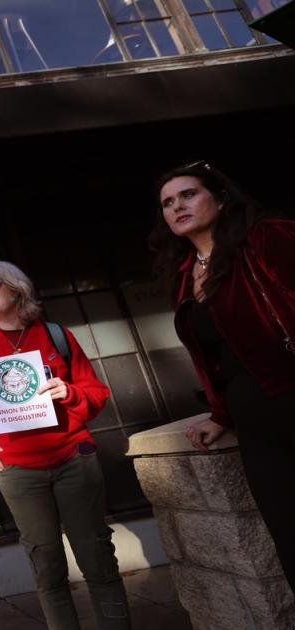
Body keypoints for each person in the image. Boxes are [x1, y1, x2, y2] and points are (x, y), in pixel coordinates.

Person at [0, 260, 131, 630]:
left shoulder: (56, 335)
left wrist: (70, 391)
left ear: (17, 288)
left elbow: (96, 392)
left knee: (97, 557)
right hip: (17, 469)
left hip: (73, 459)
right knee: (46, 566)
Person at [150, 161, 295, 589]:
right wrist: (220, 414)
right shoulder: (184, 276)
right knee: (289, 534)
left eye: (188, 194)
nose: (177, 206)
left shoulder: (268, 236)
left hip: (292, 392)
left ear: (221, 197)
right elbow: (215, 357)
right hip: (256, 423)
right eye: (167, 202)